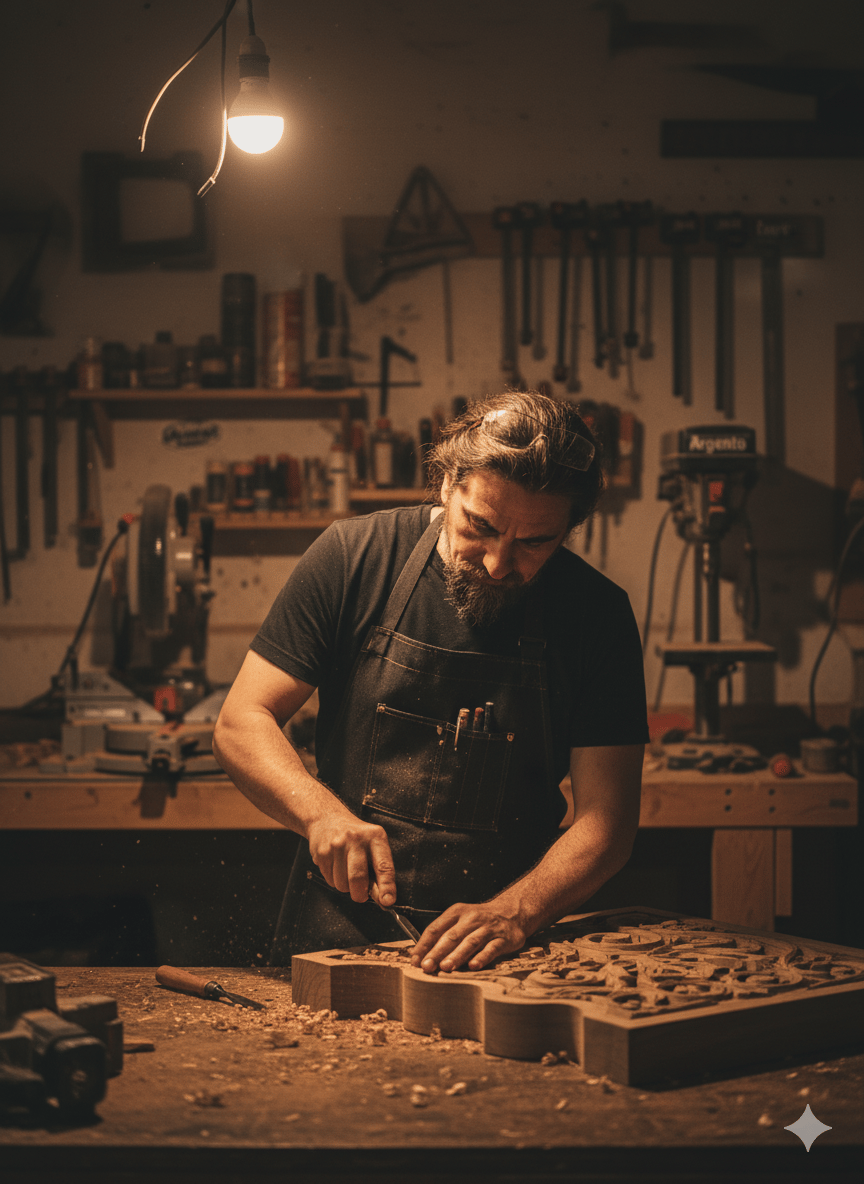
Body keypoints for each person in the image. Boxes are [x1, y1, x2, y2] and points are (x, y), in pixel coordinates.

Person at [213, 391, 648, 974]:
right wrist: (320, 814)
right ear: (446, 483)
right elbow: (241, 721)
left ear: (571, 525)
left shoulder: (597, 616)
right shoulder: (353, 557)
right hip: (336, 934)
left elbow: (607, 822)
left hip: (504, 946)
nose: (497, 562)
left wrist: (515, 912)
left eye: (534, 542)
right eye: (482, 527)